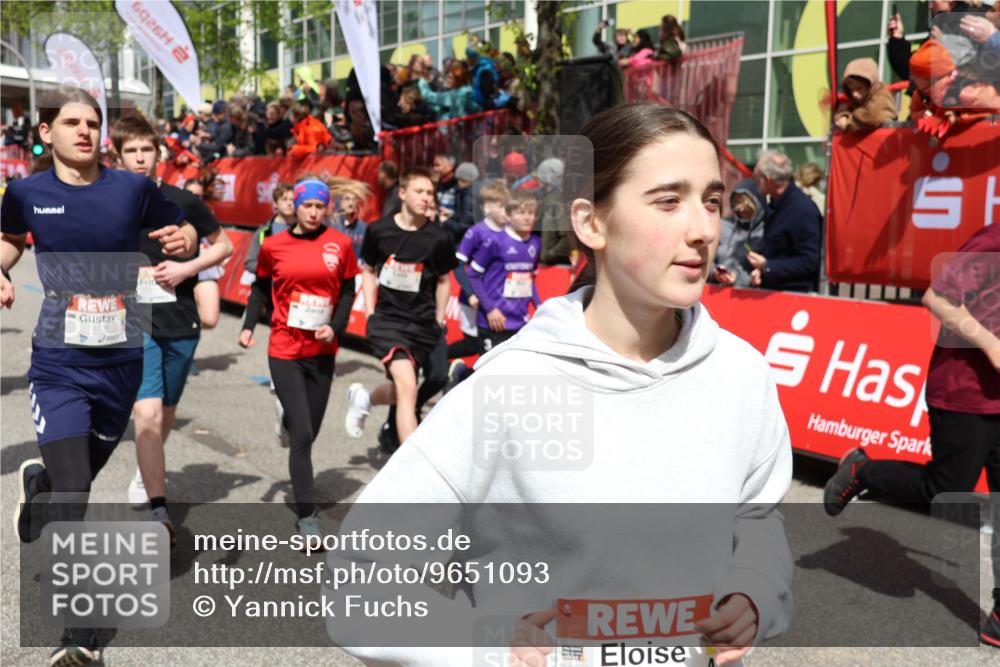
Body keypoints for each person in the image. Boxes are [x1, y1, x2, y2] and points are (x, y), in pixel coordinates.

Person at [331, 103, 793, 667]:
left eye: (712, 200)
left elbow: (757, 519)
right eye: (669, 201)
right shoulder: (508, 387)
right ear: (590, 222)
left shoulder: (741, 375)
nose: (702, 229)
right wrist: (496, 645)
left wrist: (752, 592)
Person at [4, 87, 195, 666]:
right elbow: (10, 239)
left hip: (121, 359)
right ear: (47, 133)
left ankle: (37, 485)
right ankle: (76, 631)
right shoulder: (26, 192)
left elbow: (180, 230)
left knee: (71, 480)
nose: (84, 131)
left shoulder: (133, 188)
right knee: (78, 492)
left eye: (92, 123)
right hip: (59, 363)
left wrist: (183, 241)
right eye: (71, 122)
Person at [823, 222, 999, 648]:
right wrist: (992, 345)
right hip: (965, 393)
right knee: (946, 488)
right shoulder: (995, 239)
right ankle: (864, 471)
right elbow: (937, 297)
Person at [112, 115, 233, 536]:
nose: (140, 157)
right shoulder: (108, 202)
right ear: (119, 156)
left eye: (146, 150)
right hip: (133, 320)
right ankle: (157, 507)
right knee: (145, 411)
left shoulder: (183, 202)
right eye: (132, 150)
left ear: (158, 155)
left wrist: (189, 270)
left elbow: (225, 244)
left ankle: (147, 469)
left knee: (165, 411)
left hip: (180, 320)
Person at [239, 179, 358, 541]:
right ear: (296, 207)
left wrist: (335, 328)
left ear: (327, 209)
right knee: (303, 435)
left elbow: (349, 289)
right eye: (307, 205)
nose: (312, 212)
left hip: (322, 351)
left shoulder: (341, 244)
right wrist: (248, 326)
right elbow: (260, 287)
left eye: (319, 207)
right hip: (285, 347)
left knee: (312, 430)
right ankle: (307, 516)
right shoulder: (274, 245)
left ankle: (288, 417)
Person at [344, 168, 458, 446]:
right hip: (388, 321)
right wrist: (370, 311)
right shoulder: (379, 231)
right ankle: (410, 465)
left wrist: (440, 317)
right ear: (403, 193)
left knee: (403, 391)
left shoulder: (438, 237)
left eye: (430, 193)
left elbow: (444, 280)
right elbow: (368, 269)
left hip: (421, 323)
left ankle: (365, 398)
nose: (426, 198)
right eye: (420, 191)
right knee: (407, 388)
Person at [243, 182, 297, 448]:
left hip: (302, 298)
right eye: (284, 199)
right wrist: (273, 267)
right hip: (275, 297)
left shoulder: (306, 229)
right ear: (275, 204)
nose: (289, 203)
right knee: (282, 337)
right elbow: (250, 261)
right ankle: (282, 380)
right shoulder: (265, 233)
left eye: (292, 198)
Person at [748, 150, 821, 293]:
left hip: (795, 297)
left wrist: (767, 266)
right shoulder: (776, 204)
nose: (754, 181)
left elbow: (810, 261)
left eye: (756, 177)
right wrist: (763, 271)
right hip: (774, 292)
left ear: (767, 179)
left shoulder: (803, 210)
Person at [710, 179, 767, 289]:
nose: (741, 208)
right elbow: (706, 258)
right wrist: (715, 273)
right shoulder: (723, 225)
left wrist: (745, 280)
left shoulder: (765, 233)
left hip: (748, 296)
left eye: (746, 204)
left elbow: (767, 271)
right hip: (716, 291)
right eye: (737, 202)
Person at [833, 57, 898, 131]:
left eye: (859, 88)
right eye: (851, 90)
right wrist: (843, 116)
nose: (854, 94)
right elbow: (842, 111)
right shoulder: (856, 100)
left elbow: (873, 117)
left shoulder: (881, 95)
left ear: (870, 85)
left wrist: (849, 122)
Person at [433, 154, 459, 222]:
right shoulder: (438, 184)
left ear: (449, 167)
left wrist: (449, 213)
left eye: (438, 165)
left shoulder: (459, 186)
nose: (434, 169)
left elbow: (464, 214)